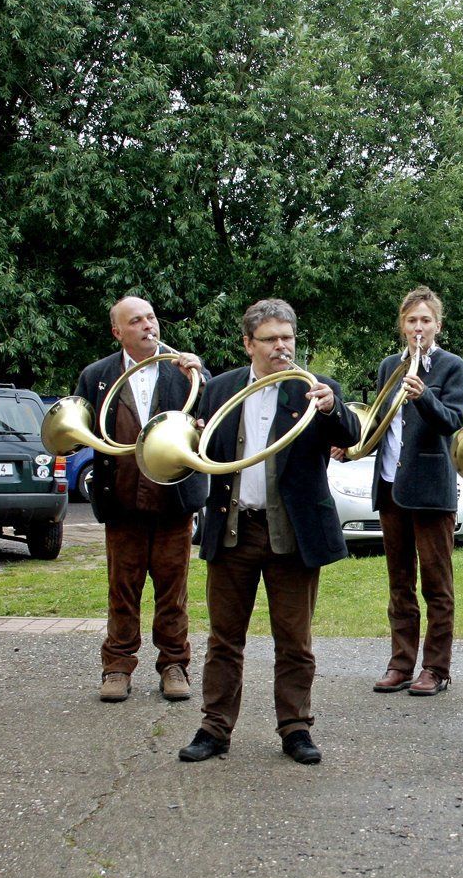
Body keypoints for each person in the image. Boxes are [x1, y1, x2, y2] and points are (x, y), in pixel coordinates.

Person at [179, 299, 360, 765]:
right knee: (224, 639)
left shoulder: (313, 388)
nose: (282, 347)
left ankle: (296, 728)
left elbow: (351, 434)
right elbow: (200, 447)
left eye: (288, 338)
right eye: (270, 339)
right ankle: (214, 728)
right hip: (234, 529)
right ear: (248, 344)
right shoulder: (221, 389)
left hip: (292, 533)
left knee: (294, 640)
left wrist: (331, 408)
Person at [72, 296, 208, 703]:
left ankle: (174, 664)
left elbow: (211, 418)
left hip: (173, 502)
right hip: (122, 503)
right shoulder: (96, 375)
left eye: (150, 317)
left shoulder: (185, 370)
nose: (148, 325)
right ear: (118, 332)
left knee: (173, 593)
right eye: (136, 320)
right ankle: (117, 666)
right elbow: (78, 428)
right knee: (122, 591)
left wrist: (201, 376)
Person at [365, 287, 463, 696]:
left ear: (437, 325)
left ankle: (436, 669)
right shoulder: (388, 366)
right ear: (402, 326)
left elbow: (452, 421)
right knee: (400, 583)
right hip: (391, 486)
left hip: (431, 490)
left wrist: (424, 395)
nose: (418, 327)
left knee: (437, 585)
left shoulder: (452, 367)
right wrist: (354, 443)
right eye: (411, 320)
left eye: (426, 320)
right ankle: (401, 663)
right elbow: (381, 421)